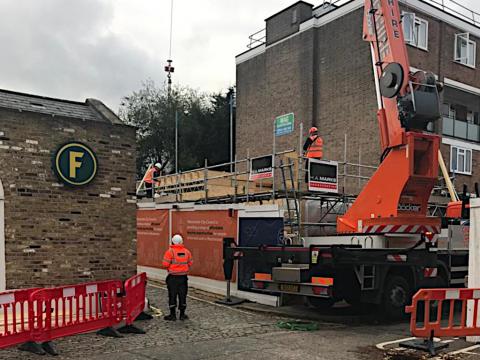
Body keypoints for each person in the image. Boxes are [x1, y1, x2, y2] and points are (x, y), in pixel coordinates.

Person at [162, 234, 193, 321]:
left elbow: (165, 264)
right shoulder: (187, 252)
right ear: (181, 241)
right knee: (183, 295)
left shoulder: (170, 252)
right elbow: (190, 263)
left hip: (173, 278)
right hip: (183, 278)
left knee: (172, 295)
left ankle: (172, 315)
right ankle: (182, 315)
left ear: (173, 242)